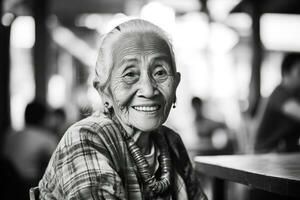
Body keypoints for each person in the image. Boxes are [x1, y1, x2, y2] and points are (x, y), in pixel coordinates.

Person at [39, 19, 207, 200]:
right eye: (130, 74)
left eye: (160, 72)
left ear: (175, 85)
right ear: (104, 91)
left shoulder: (171, 142)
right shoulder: (86, 138)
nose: (149, 90)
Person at [3, 101, 57, 200]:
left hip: (5, 186)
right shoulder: (46, 138)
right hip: (28, 188)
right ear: (43, 118)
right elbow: (56, 167)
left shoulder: (9, 134)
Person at [254, 52, 300, 153]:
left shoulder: (296, 95)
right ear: (286, 72)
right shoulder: (279, 93)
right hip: (266, 153)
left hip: (284, 152)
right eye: (299, 72)